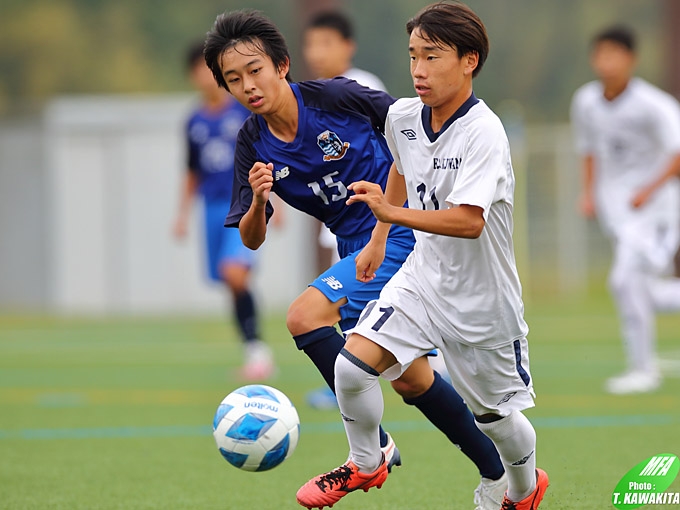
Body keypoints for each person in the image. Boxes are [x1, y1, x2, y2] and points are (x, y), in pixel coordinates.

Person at [203, 9, 508, 509]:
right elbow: (252, 238)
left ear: (281, 65)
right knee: (410, 378)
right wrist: (258, 201)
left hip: (399, 231)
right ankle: (500, 476)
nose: (248, 86)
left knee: (305, 315)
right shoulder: (251, 143)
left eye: (255, 70)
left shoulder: (335, 96)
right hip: (356, 245)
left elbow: (413, 136)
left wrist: (386, 229)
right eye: (234, 79)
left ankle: (371, 452)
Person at [296, 3, 549, 509]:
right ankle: (367, 462)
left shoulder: (484, 132)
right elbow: (401, 167)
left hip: (483, 303)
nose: (418, 70)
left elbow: (468, 221)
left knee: (494, 420)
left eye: (432, 57)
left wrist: (390, 212)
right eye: (413, 56)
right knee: (352, 367)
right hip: (422, 280)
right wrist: (378, 237)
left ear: (469, 60)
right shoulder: (404, 116)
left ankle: (523, 490)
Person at [571, 26, 680, 395]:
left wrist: (647, 191)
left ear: (631, 60)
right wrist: (588, 194)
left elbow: (676, 154)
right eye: (601, 53)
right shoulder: (585, 101)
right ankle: (642, 367)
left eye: (615, 54)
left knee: (623, 282)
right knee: (642, 290)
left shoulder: (654, 105)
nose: (607, 61)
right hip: (618, 213)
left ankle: (643, 370)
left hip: (658, 212)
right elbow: (587, 150)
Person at [173, 41, 274, 381]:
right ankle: (253, 349)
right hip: (210, 208)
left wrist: (279, 201)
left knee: (234, 273)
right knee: (229, 282)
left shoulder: (242, 112)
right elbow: (191, 171)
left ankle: (258, 352)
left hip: (242, 204)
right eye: (199, 69)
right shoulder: (193, 122)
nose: (205, 75)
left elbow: (267, 154)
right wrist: (182, 215)